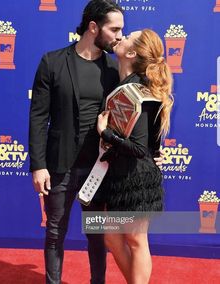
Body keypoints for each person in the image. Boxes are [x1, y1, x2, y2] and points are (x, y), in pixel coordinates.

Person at [29, 0, 162, 283]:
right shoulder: (52, 62)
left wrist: (152, 151)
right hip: (59, 165)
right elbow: (38, 118)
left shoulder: (116, 72)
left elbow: (144, 113)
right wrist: (38, 165)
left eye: (122, 31)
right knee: (55, 233)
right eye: (114, 29)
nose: (118, 36)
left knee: (99, 236)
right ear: (93, 27)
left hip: (101, 169)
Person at [97, 29, 173, 284]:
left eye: (129, 36)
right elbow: (151, 145)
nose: (123, 35)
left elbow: (139, 148)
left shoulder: (136, 89)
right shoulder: (127, 84)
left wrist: (105, 133)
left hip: (136, 179)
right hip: (118, 174)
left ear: (131, 52)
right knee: (112, 238)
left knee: (135, 240)